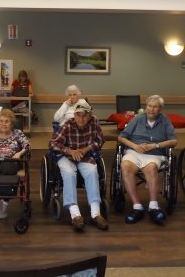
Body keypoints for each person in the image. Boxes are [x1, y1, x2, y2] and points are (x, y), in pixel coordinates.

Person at [118, 95, 177, 225]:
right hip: (134, 151)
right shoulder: (137, 119)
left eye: (155, 106)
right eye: (149, 106)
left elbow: (174, 141)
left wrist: (155, 145)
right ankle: (137, 207)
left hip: (155, 154)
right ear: (146, 107)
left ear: (160, 109)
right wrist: (135, 146)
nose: (151, 109)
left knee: (151, 168)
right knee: (125, 165)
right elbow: (121, 137)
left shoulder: (165, 121)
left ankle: (153, 206)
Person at [49, 102, 108, 232]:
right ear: (74, 114)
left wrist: (86, 149)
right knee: (69, 173)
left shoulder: (94, 123)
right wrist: (70, 151)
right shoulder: (68, 125)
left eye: (84, 116)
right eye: (78, 115)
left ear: (90, 115)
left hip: (85, 155)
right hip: (66, 155)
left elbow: (100, 140)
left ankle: (96, 214)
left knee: (92, 172)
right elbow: (53, 143)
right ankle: (75, 214)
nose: (81, 119)